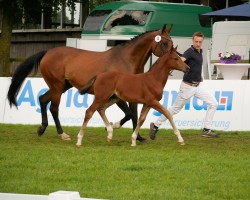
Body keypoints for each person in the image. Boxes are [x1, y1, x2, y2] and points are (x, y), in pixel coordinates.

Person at [149, 32, 219, 139]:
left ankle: (206, 129)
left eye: (200, 42)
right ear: (193, 40)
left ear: (202, 41)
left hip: (197, 86)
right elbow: (180, 61)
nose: (198, 44)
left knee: (213, 103)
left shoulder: (200, 51)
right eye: (196, 41)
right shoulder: (189, 52)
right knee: (175, 109)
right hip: (187, 87)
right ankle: (155, 125)